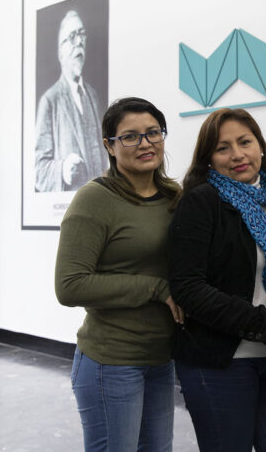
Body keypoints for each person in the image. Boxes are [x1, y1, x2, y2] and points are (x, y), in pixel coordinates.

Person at [168, 108, 266, 452]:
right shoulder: (202, 201)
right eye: (223, 148)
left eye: (245, 142)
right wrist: (263, 323)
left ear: (261, 146)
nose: (237, 155)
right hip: (219, 362)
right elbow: (188, 287)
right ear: (209, 159)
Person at [55, 97, 184, 452]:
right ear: (109, 146)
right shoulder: (94, 200)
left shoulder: (175, 197)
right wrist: (156, 288)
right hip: (110, 360)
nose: (145, 144)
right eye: (130, 137)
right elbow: (70, 285)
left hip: (161, 357)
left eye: (153, 133)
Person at [35, 10, 108, 192]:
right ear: (61, 54)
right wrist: (63, 169)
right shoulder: (49, 101)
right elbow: (38, 171)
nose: (79, 42)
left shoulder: (92, 95)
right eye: (72, 36)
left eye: (82, 34)